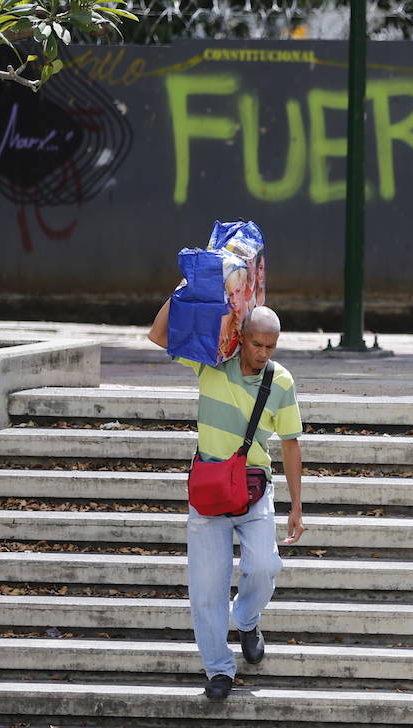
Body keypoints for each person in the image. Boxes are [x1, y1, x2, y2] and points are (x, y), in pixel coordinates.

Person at [147, 300, 305, 700]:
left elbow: (290, 444)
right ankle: (219, 670)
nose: (263, 353)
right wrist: (180, 292)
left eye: (271, 346)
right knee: (205, 592)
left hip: (254, 490)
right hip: (209, 490)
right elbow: (158, 336)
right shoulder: (212, 362)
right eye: (256, 344)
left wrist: (297, 506)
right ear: (241, 337)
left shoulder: (281, 381)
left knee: (266, 566)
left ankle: (247, 619)